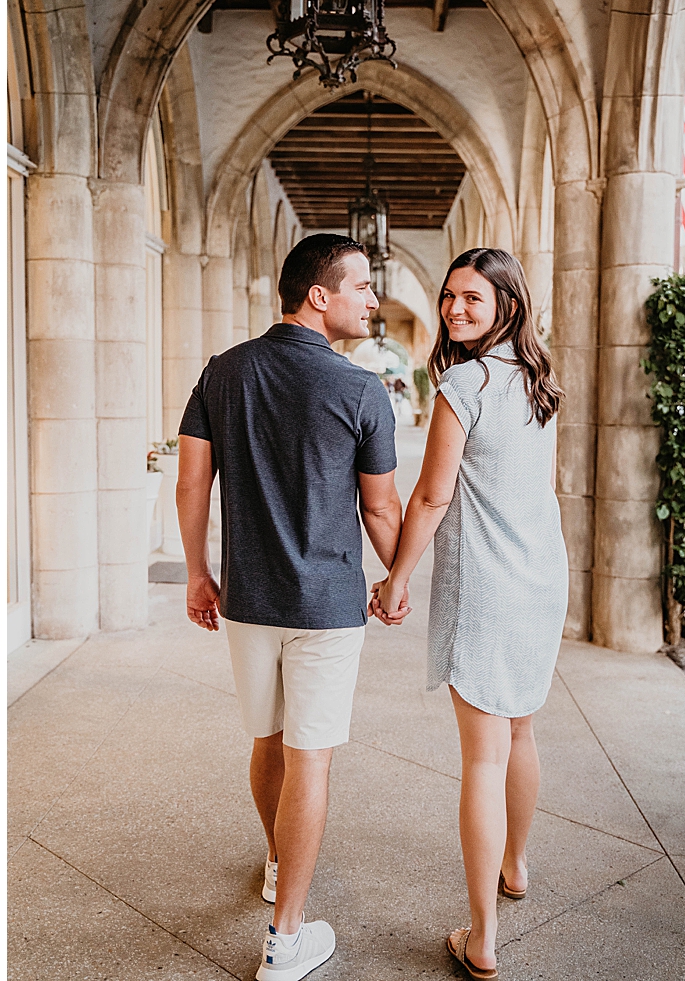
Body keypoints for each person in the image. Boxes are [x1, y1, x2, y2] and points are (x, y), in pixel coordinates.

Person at [177, 233, 402, 981]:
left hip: (247, 598)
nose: (373, 300)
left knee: (267, 740)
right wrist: (398, 572)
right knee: (311, 756)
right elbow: (380, 508)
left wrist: (197, 574)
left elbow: (191, 486)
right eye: (363, 286)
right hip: (329, 603)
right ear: (319, 295)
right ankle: (285, 936)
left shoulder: (222, 372)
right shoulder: (360, 390)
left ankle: (278, 865)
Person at [373, 248, 566, 981]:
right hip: (540, 579)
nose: (455, 309)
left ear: (506, 305)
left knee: (483, 755)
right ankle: (516, 864)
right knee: (520, 729)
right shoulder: (542, 383)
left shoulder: (464, 382)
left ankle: (481, 938)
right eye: (450, 297)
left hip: (485, 587)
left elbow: (429, 496)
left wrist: (396, 578)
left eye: (472, 299)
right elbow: (543, 489)